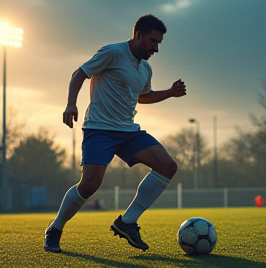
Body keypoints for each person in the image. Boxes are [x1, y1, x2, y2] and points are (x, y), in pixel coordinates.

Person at [44, 14, 186, 253]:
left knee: (167, 166)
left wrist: (169, 93)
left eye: (159, 43)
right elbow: (79, 73)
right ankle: (55, 229)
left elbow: (143, 96)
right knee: (89, 184)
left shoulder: (145, 68)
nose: (156, 48)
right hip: (99, 128)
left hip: (128, 131)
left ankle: (127, 222)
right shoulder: (112, 52)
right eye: (153, 41)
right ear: (138, 35)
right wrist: (71, 103)